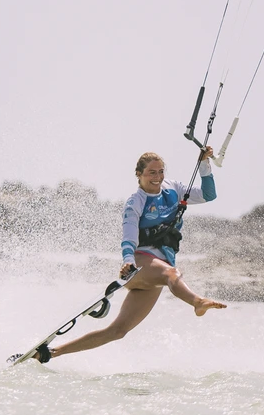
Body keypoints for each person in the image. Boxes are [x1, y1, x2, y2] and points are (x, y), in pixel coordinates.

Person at [45, 146, 227, 359]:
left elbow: (209, 195)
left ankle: (50, 353)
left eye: (160, 171)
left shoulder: (174, 190)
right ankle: (197, 302)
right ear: (139, 175)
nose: (157, 177)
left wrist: (204, 164)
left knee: (117, 331)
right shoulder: (136, 202)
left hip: (157, 271)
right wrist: (128, 261)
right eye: (151, 172)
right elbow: (129, 235)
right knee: (172, 274)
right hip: (140, 265)